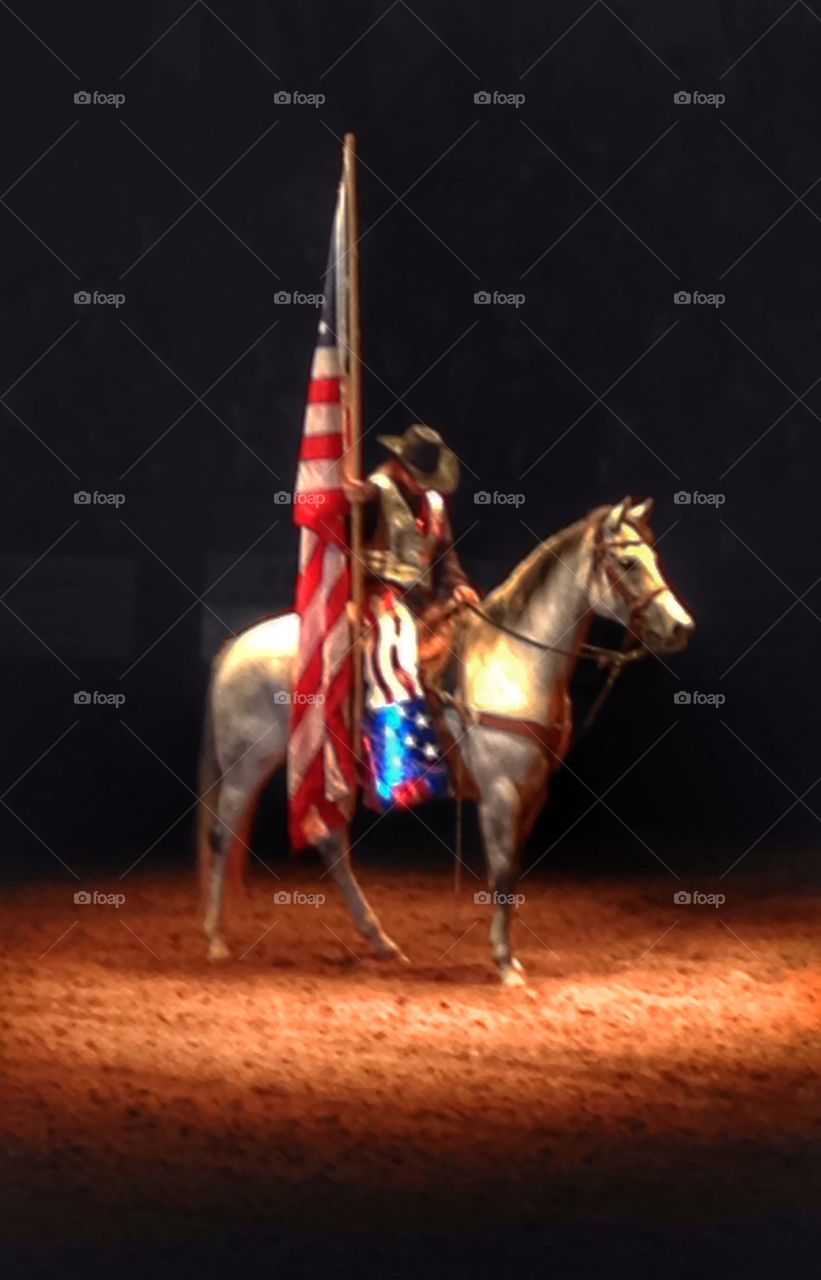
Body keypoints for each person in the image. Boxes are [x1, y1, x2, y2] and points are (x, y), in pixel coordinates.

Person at [344, 424, 479, 809]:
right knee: (395, 647)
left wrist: (458, 584)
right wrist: (345, 503)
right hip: (375, 592)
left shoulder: (435, 504)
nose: (423, 485)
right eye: (418, 477)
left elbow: (445, 556)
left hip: (422, 599)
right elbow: (343, 539)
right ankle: (396, 767)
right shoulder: (373, 492)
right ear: (400, 466)